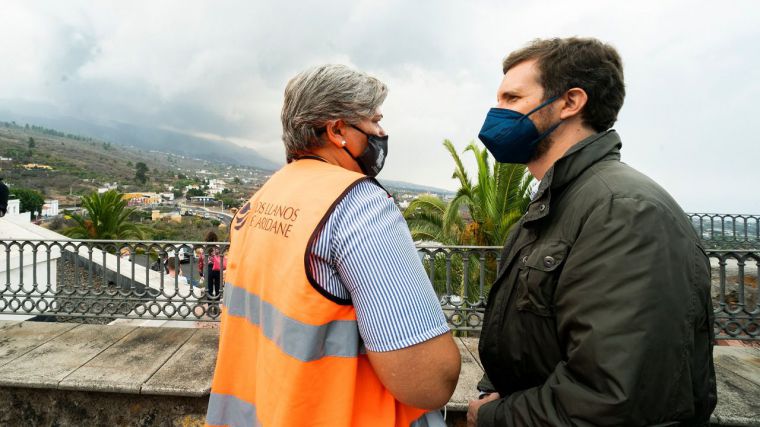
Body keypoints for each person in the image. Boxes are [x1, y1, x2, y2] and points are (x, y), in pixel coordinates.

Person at [466, 37, 716, 426]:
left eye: (512, 99)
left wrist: (495, 416)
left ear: (570, 102)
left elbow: (613, 398)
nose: (497, 114)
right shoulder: (558, 203)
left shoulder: (623, 211)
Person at [206, 64, 460, 427]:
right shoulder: (357, 205)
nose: (381, 133)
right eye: (374, 121)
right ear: (338, 130)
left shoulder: (261, 199)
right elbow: (427, 382)